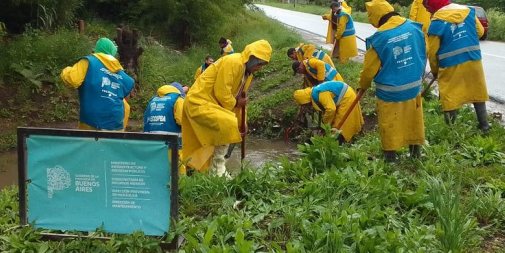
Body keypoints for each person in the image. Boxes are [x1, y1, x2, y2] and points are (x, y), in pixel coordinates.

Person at [181, 40, 272, 177]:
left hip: (212, 104)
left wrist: (243, 122)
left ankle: (208, 171)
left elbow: (240, 101)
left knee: (233, 128)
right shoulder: (234, 62)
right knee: (228, 123)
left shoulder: (247, 74)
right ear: (252, 58)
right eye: (260, 64)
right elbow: (222, 93)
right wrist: (236, 104)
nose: (260, 68)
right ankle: (218, 169)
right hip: (198, 102)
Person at [358, 0, 427, 162]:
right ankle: (415, 153)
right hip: (413, 87)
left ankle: (391, 158)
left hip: (390, 92)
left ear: (375, 15)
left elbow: (369, 70)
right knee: (413, 120)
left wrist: (362, 85)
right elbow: (424, 51)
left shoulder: (379, 38)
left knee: (390, 123)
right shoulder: (414, 27)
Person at [423, 0, 490, 131]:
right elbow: (480, 32)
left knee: (449, 96)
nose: (430, 13)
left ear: (434, 7)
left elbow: (433, 53)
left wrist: (435, 71)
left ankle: (451, 130)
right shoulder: (468, 12)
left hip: (450, 65)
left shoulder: (436, 23)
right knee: (477, 92)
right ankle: (484, 125)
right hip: (473, 60)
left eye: (430, 10)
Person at [61, 38, 135, 131]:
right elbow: (126, 97)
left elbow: (72, 80)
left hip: (92, 120)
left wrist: (67, 70)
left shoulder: (89, 62)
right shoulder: (122, 75)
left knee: (89, 144)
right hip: (115, 123)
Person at [292, 81, 363, 144]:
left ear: (305, 100)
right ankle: (346, 142)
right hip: (345, 95)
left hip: (346, 98)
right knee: (337, 126)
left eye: (304, 105)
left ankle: (339, 145)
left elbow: (331, 109)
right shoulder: (314, 92)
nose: (307, 106)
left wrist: (325, 124)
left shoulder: (317, 93)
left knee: (339, 127)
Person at [144, 82, 189, 174]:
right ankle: (180, 187)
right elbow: (181, 120)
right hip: (173, 142)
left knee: (158, 169)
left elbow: (146, 119)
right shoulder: (178, 99)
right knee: (177, 169)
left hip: (153, 142)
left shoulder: (153, 99)